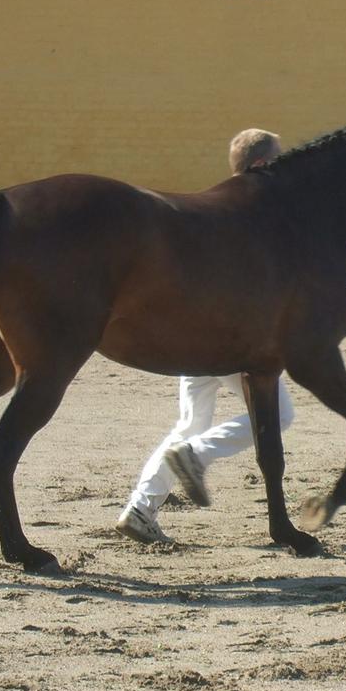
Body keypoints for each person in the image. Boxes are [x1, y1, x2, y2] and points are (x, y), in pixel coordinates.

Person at [115, 128, 295, 544]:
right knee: (278, 417)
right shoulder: (258, 210)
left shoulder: (221, 206)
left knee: (190, 423)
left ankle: (141, 509)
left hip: (195, 340)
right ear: (264, 165)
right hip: (233, 342)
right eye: (279, 160)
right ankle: (196, 457)